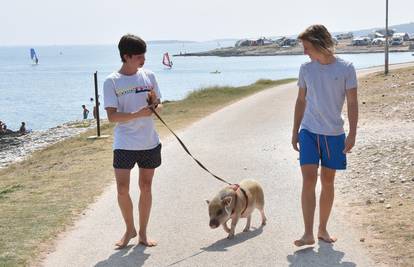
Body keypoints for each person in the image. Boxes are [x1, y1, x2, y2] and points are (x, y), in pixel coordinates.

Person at [291, 24, 358, 246]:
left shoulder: (346, 68)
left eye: (307, 47)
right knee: (308, 179)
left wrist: (352, 134)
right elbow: (301, 100)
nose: (304, 52)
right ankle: (308, 233)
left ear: (320, 44)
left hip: (334, 134)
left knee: (327, 182)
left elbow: (352, 102)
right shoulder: (306, 69)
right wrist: (295, 131)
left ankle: (322, 230)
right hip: (309, 131)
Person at [103, 34, 162, 248]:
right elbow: (111, 117)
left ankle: (144, 234)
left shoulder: (149, 76)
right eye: (138, 56)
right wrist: (138, 114)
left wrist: (155, 108)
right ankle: (130, 229)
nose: (143, 59)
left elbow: (158, 103)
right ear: (126, 56)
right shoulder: (112, 81)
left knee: (146, 187)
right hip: (124, 142)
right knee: (122, 189)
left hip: (149, 141)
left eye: (144, 55)